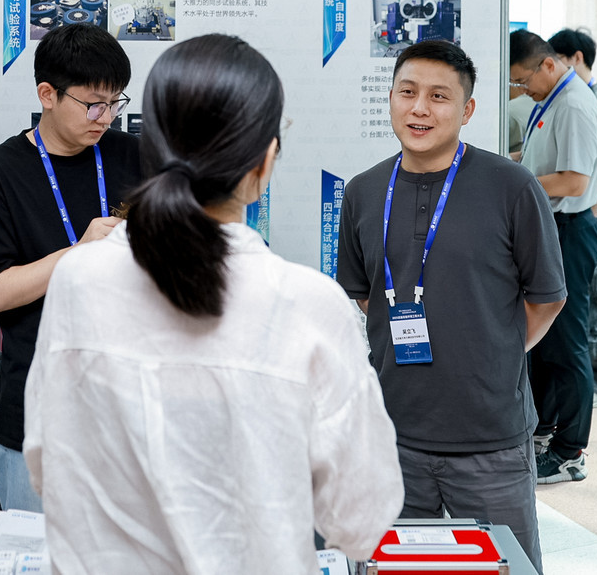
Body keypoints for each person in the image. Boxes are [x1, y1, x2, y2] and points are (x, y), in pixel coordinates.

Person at [25, 35, 403, 574]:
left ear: (152, 150)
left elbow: (45, 463)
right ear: (264, 160)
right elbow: (360, 521)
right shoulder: (310, 306)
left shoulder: (79, 280)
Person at [338, 38, 565, 572]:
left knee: (506, 567)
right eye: (407, 92)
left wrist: (493, 350)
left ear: (467, 110)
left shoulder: (511, 187)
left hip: (490, 441)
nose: (419, 108)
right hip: (393, 438)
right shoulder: (363, 191)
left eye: (439, 97)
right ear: (391, 98)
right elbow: (366, 295)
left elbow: (547, 298)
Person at [0, 23, 141, 513]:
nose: (106, 117)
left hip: (129, 416)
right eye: (94, 104)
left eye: (115, 103)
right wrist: (76, 254)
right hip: (39, 422)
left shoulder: (135, 157)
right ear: (48, 95)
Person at [508, 29, 597, 486]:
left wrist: (517, 183)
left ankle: (571, 451)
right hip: (551, 228)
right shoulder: (552, 99)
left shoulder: (574, 105)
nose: (522, 90)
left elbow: (573, 181)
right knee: (544, 341)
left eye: (523, 80)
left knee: (567, 343)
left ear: (548, 64)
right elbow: (540, 159)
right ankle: (546, 431)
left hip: (570, 230)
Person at [548, 28, 597, 409]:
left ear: (576, 58)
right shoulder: (577, 98)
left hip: (591, 220)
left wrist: (587, 221)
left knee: (596, 301)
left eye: (558, 60)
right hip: (582, 219)